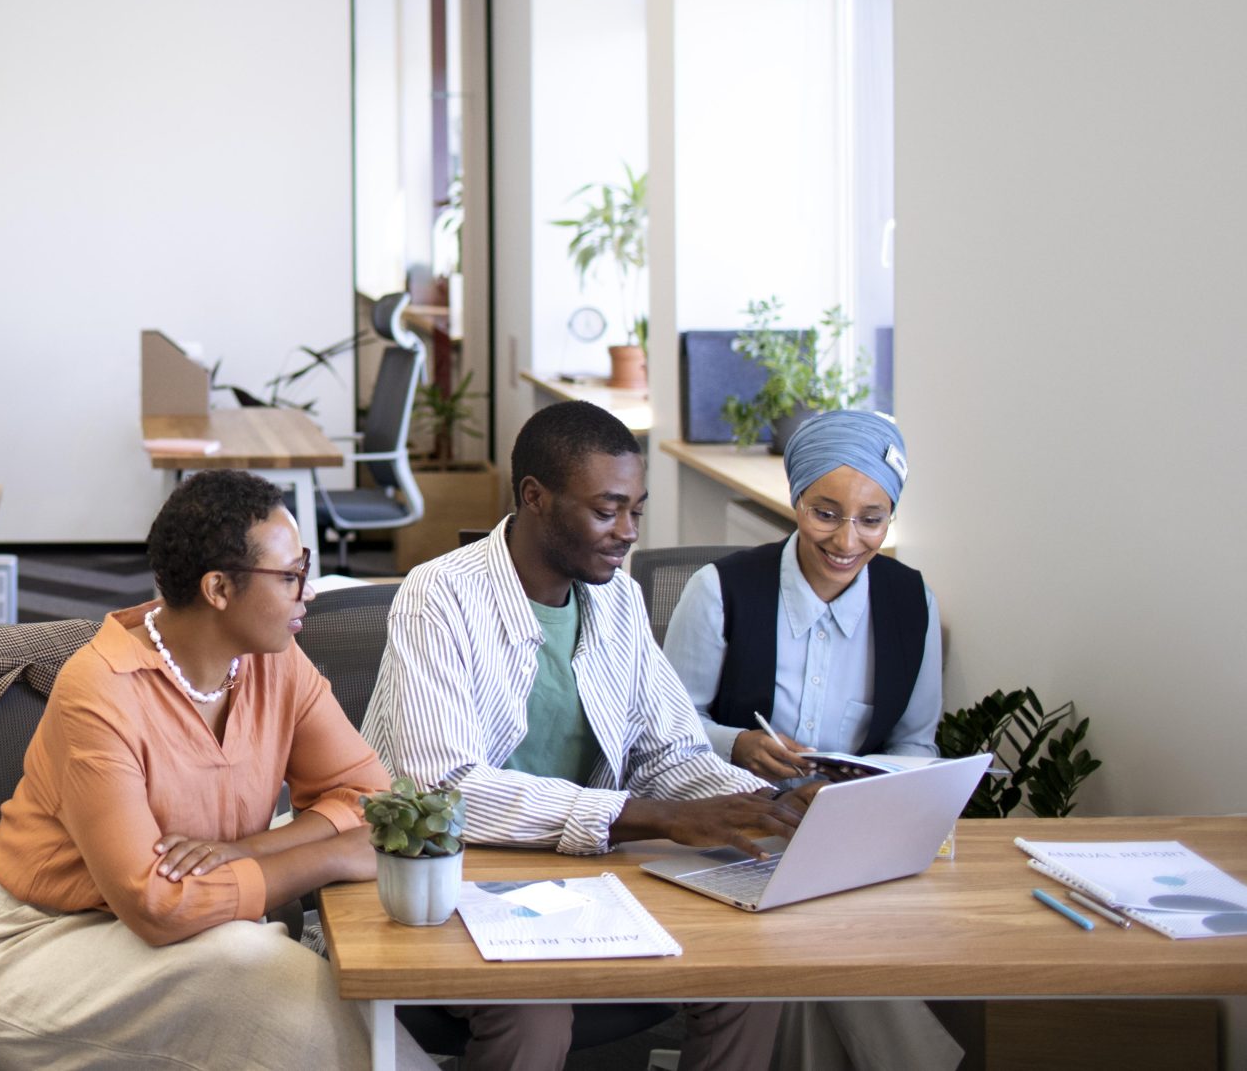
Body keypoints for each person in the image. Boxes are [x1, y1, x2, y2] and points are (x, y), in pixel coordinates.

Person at [363, 399, 794, 1071]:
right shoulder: (438, 595)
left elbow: (669, 750)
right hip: (448, 876)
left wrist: (771, 803)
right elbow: (444, 788)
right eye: (606, 509)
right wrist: (644, 815)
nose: (627, 533)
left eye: (637, 511)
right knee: (534, 1016)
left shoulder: (615, 596)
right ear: (535, 497)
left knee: (752, 976)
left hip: (576, 878)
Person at [0, 469, 389, 1071]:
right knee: (268, 981)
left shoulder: (274, 662)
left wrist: (250, 849)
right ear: (218, 589)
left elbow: (368, 795)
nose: (307, 591)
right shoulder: (99, 690)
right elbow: (157, 903)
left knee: (277, 984)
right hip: (36, 946)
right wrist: (332, 855)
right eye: (290, 576)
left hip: (205, 931)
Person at [662, 409, 961, 1071]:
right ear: (795, 499)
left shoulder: (913, 602)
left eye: (872, 518)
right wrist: (736, 742)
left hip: (854, 837)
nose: (848, 539)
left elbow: (916, 743)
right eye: (825, 512)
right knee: (816, 930)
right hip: (735, 829)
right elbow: (664, 734)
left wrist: (872, 793)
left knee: (811, 926)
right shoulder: (722, 593)